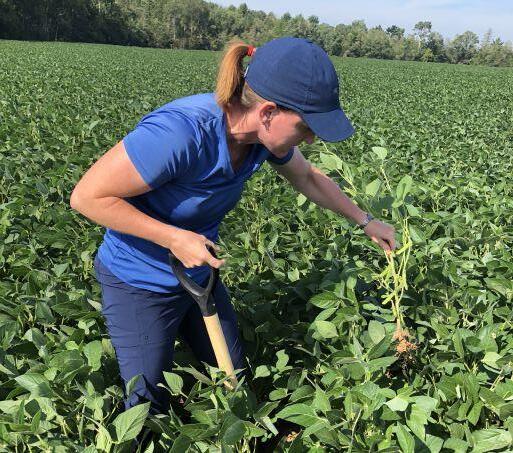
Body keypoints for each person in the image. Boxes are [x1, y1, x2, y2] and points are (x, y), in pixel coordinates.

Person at [70, 36, 396, 417]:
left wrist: (366, 221)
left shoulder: (262, 141)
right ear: (268, 112)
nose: (310, 138)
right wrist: (172, 238)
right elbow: (87, 196)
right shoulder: (181, 133)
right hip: (138, 280)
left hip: (198, 274)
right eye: (306, 126)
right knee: (146, 407)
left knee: (234, 379)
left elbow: (307, 177)